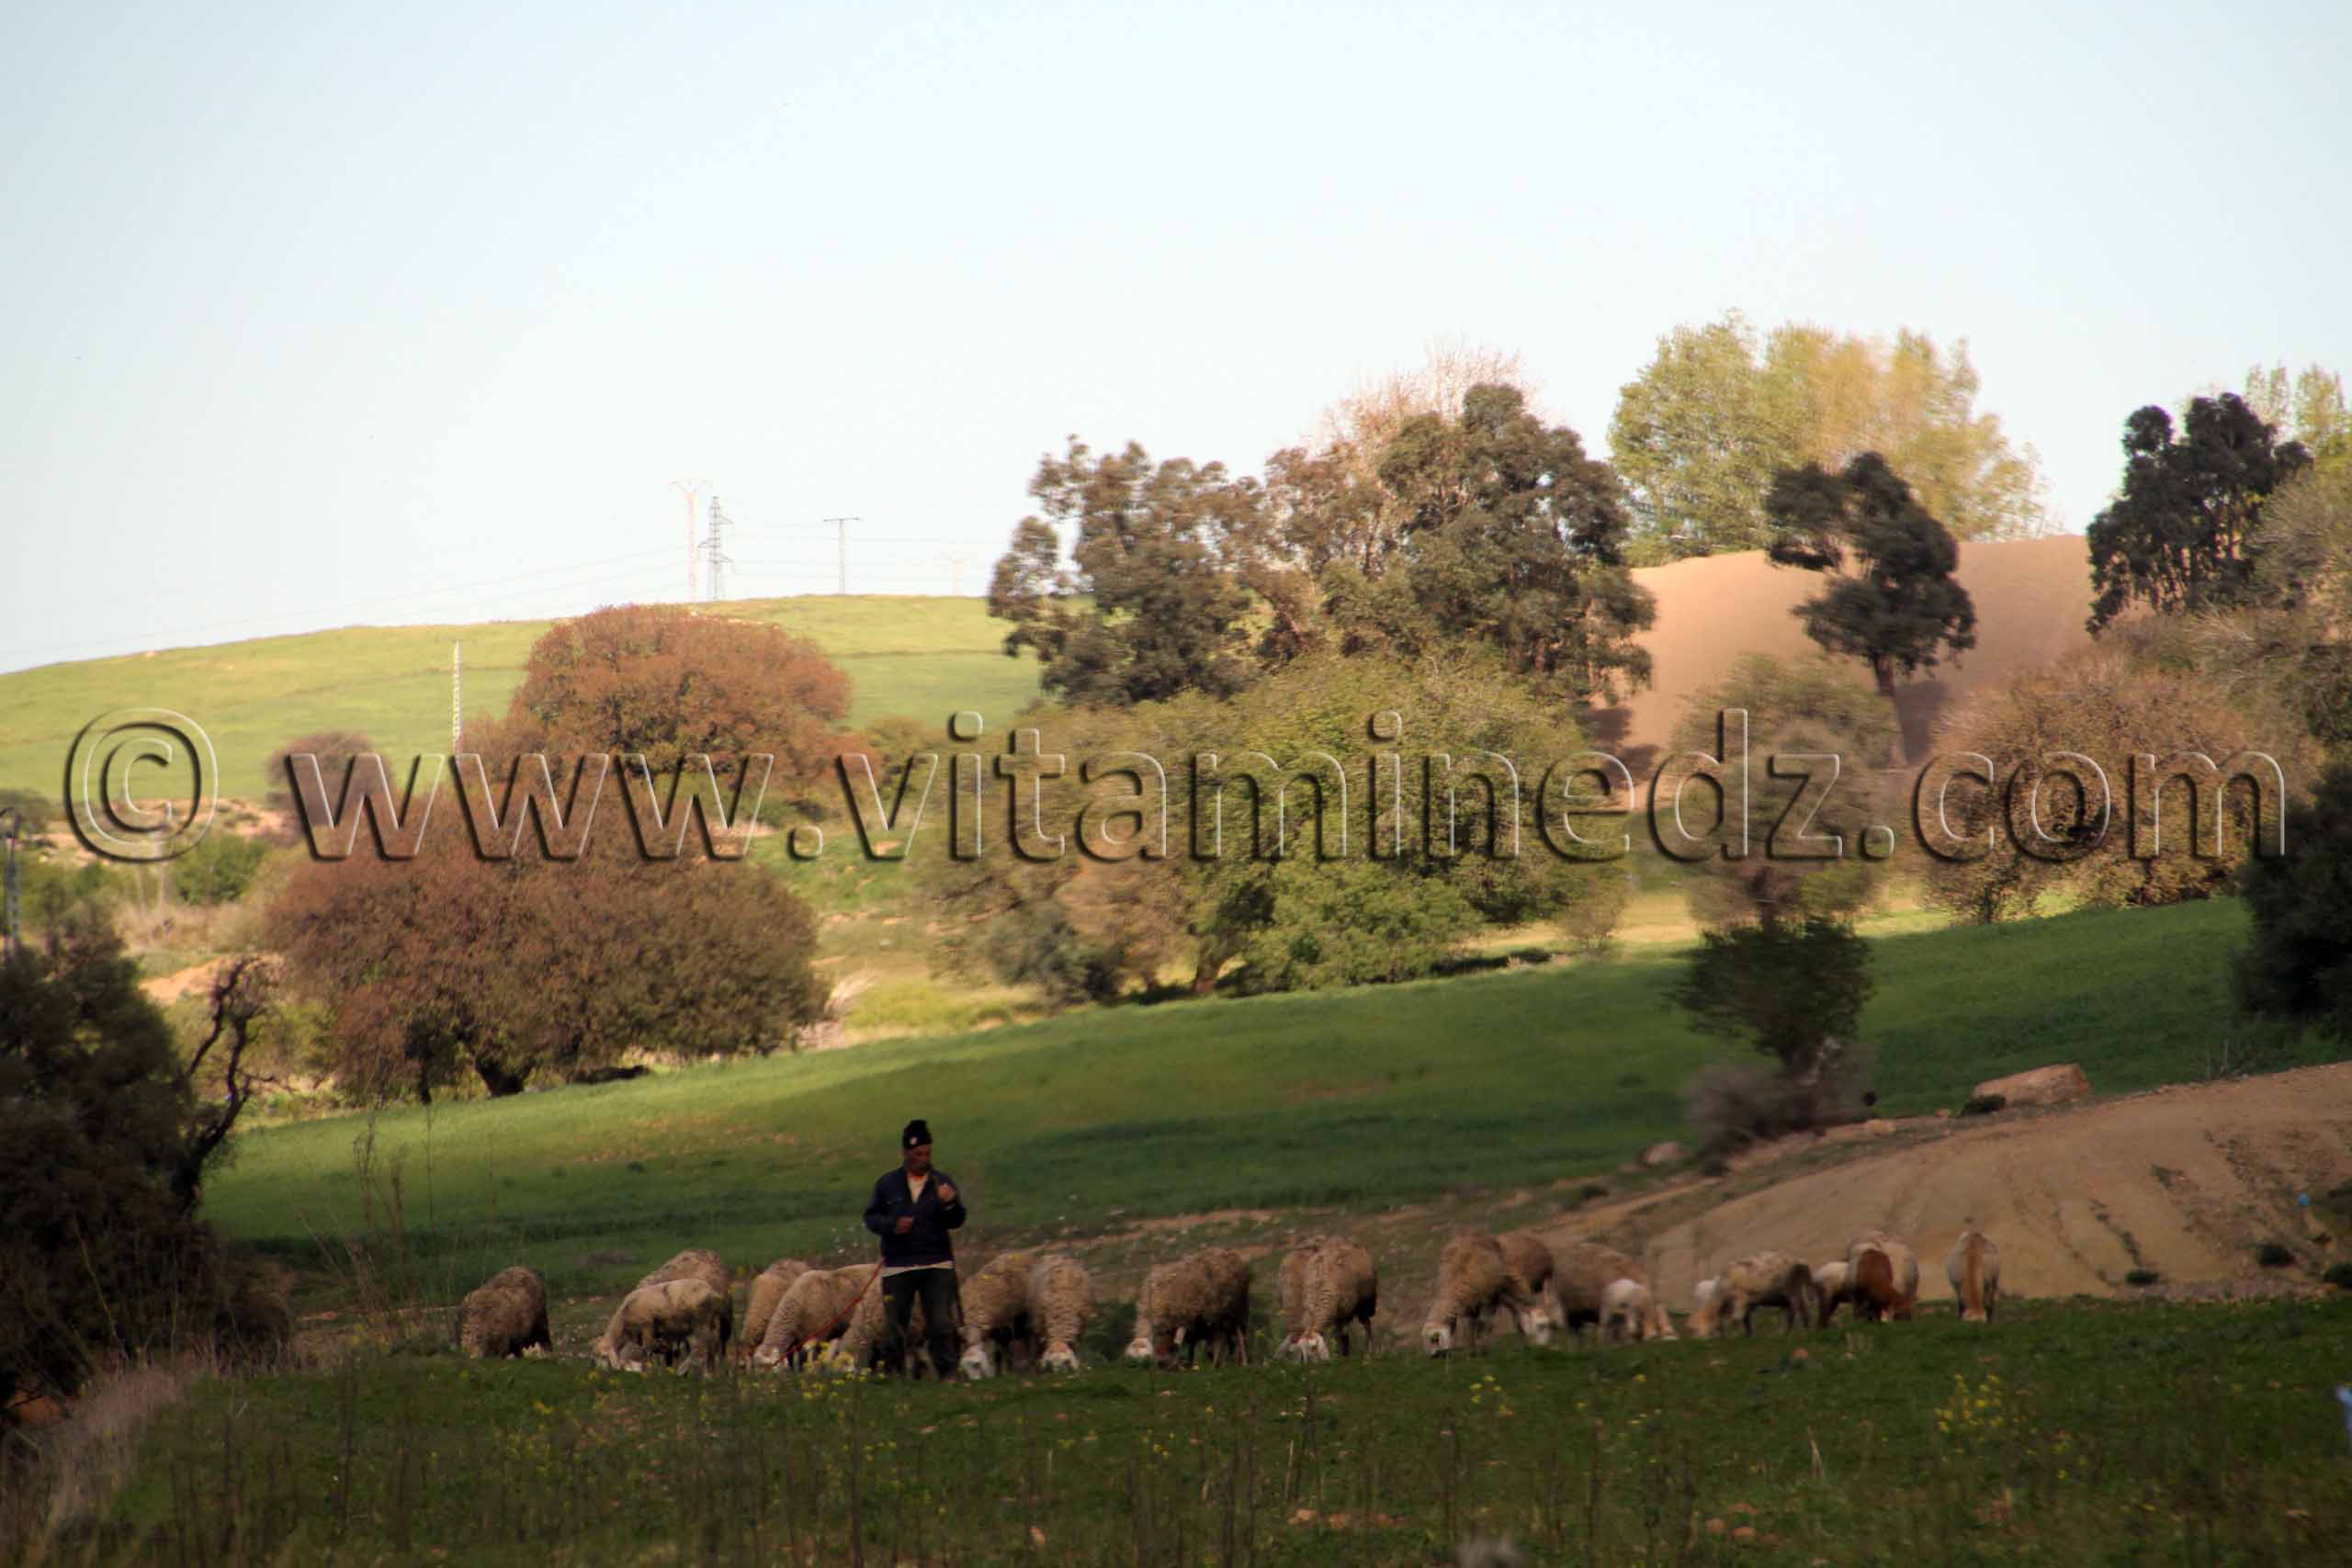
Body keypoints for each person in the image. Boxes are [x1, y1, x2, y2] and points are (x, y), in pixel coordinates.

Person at [861, 1118, 966, 1377]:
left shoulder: (942, 1182)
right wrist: (893, 1225)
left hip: (936, 1262)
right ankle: (894, 1376)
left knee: (941, 1322)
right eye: (918, 1154)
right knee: (896, 1325)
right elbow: (871, 1218)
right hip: (898, 1265)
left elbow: (957, 1220)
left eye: (928, 1153)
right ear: (906, 1152)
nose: (924, 1158)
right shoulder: (887, 1184)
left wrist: (950, 1204)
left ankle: (948, 1375)